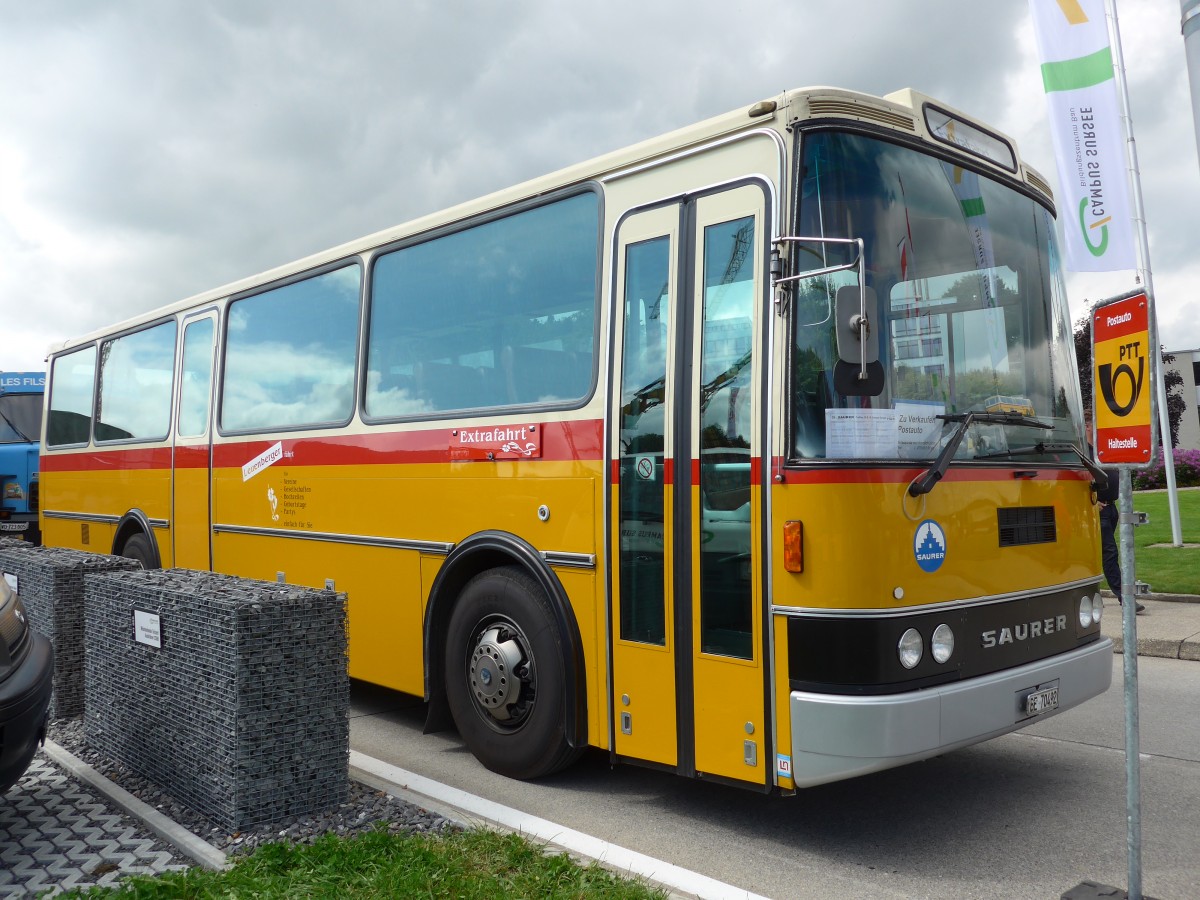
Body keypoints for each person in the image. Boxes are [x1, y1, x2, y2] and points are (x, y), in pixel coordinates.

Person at [1085, 411, 1145, 613]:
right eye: (1096, 426)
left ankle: (1092, 594)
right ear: (1087, 427)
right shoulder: (1083, 452)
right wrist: (1090, 503)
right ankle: (1124, 598)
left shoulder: (1101, 450)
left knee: (1101, 554)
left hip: (1111, 508)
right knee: (1109, 553)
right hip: (1097, 508)